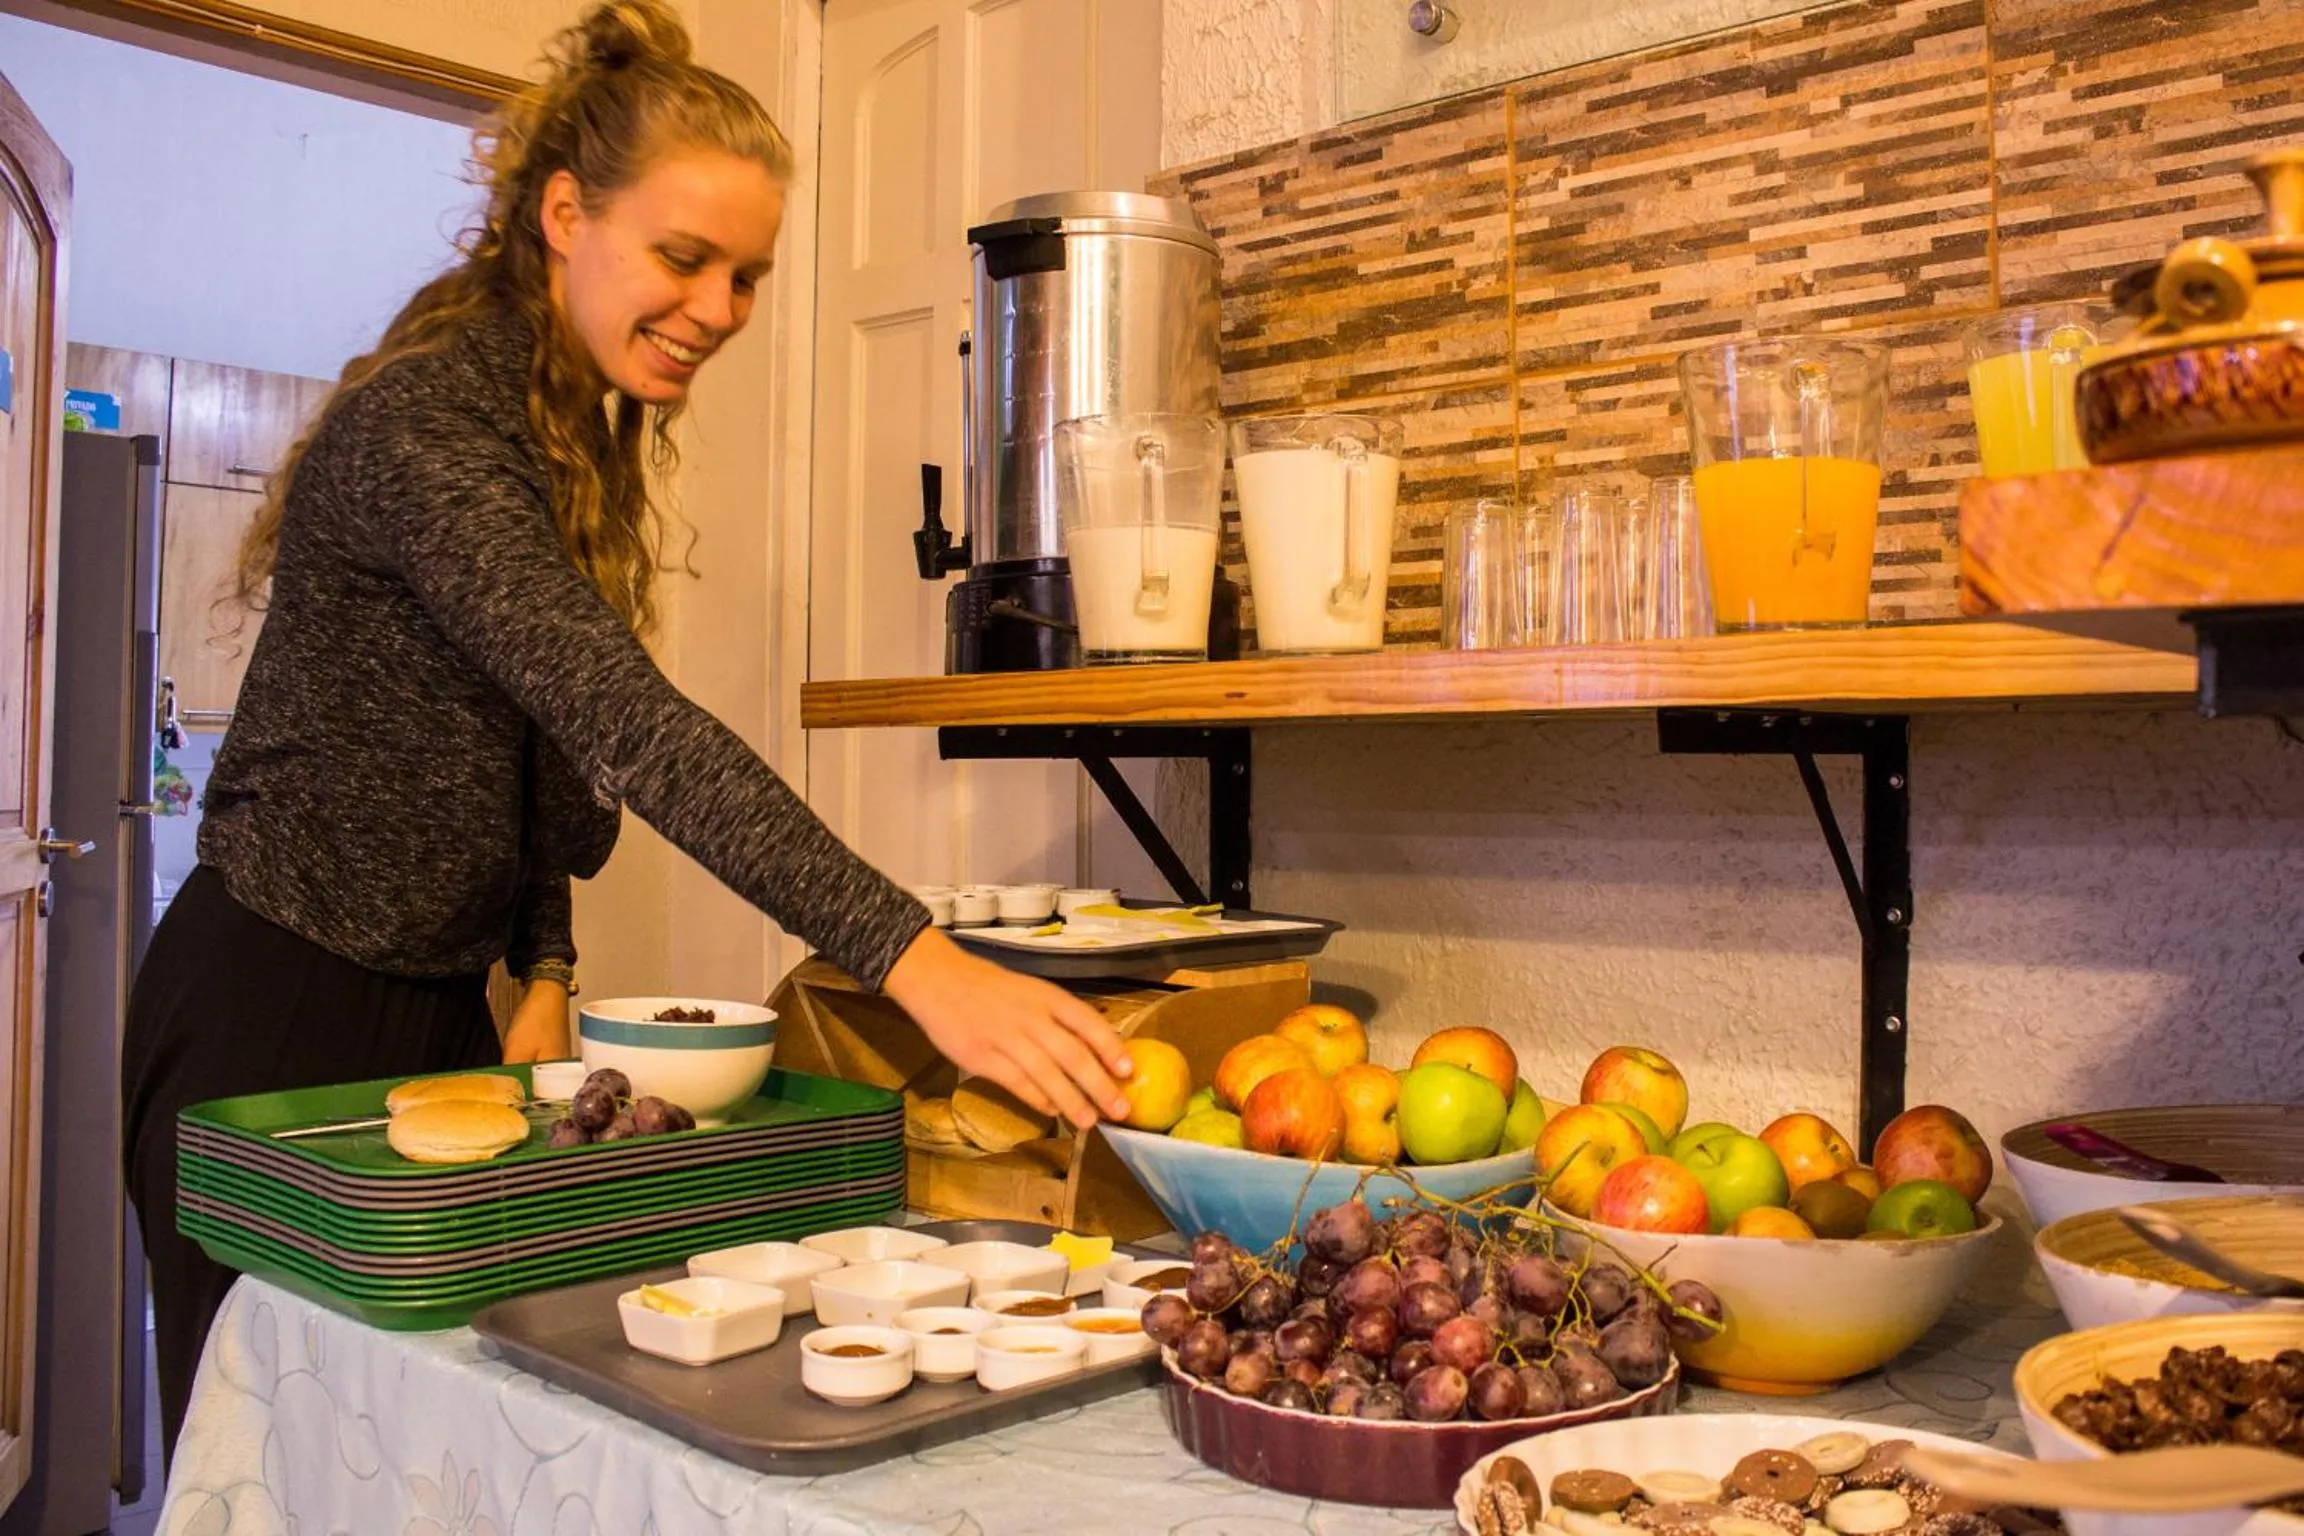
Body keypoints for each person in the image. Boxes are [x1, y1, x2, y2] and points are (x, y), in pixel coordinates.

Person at [122, 0, 1132, 1466]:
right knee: (275, 1463)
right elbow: (628, 725)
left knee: (423, 1461)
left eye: (748, 276)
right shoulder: (428, 431)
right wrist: (914, 958)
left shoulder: (565, 439)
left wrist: (544, 958)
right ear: (561, 217)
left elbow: (534, 744)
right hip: (269, 1002)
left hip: (438, 1012)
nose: (719, 308)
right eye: (684, 259)